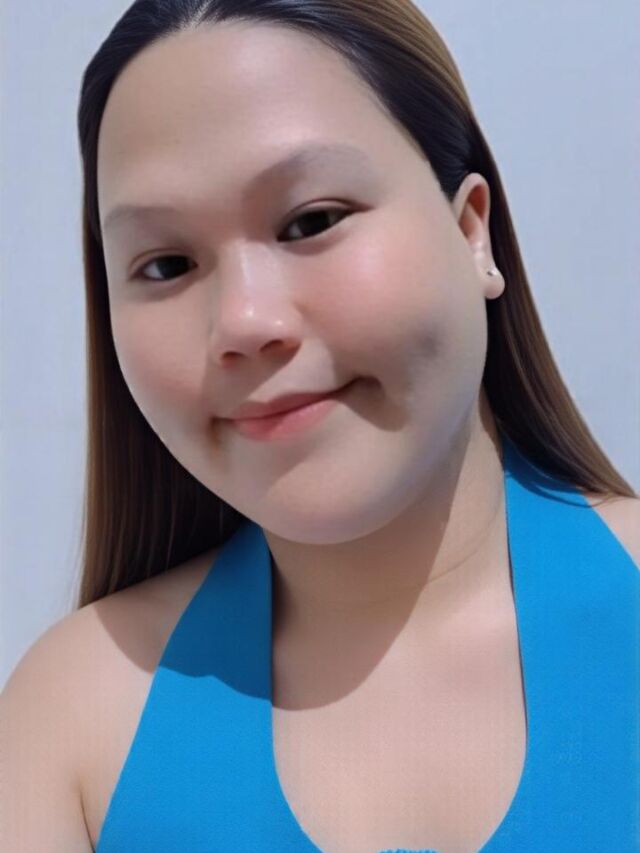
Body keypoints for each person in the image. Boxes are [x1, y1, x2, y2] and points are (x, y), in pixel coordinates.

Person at [2, 2, 638, 852]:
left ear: (471, 231)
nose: (245, 321)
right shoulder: (71, 726)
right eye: (167, 264)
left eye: (311, 220)